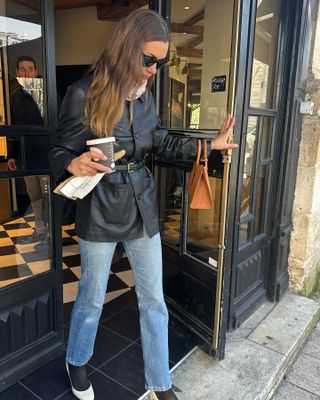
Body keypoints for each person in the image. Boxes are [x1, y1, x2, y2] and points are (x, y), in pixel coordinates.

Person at [49, 9, 237, 400]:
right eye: (148, 59)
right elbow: (54, 150)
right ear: (125, 49)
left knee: (153, 300)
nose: (153, 69)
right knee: (92, 295)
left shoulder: (145, 97)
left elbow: (162, 142)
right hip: (100, 206)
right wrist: (71, 161)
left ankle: (159, 382)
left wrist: (209, 146)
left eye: (159, 62)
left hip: (142, 203)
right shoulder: (84, 92)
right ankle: (77, 359)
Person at [8, 56, 48, 245]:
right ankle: (40, 229)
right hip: (26, 154)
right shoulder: (14, 94)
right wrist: (12, 155)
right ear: (17, 72)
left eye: (30, 69)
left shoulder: (47, 92)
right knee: (34, 195)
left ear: (35, 70)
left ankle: (52, 231)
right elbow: (13, 126)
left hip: (46, 154)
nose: (26, 72)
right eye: (22, 69)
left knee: (49, 195)